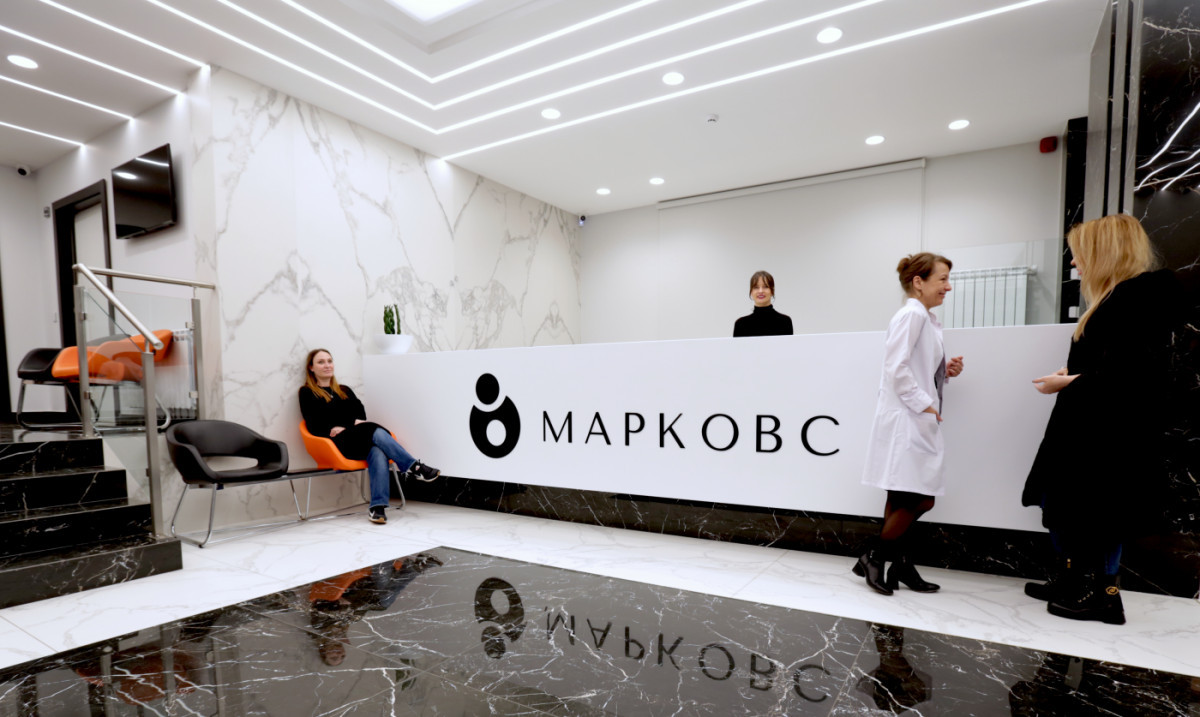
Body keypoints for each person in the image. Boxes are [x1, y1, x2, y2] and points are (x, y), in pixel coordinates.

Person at [1022, 214, 1185, 625]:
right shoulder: (1116, 300)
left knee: (1103, 514)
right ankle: (1073, 581)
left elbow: (1133, 376)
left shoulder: (1132, 302)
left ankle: (1105, 598)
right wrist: (1072, 374)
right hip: (1091, 427)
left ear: (1102, 253)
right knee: (1068, 507)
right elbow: (1112, 365)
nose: (1073, 263)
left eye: (1079, 254)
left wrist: (1068, 382)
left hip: (1108, 434)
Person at [856, 253, 964, 595]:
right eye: (942, 279)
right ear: (918, 282)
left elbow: (913, 366)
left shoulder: (925, 318)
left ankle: (900, 565)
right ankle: (874, 555)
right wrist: (925, 404)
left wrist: (944, 371)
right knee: (920, 499)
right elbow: (896, 368)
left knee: (901, 495)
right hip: (907, 418)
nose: (948, 287)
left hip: (911, 416)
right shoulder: (912, 315)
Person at [299, 348, 440, 525]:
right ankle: (414, 467)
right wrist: (346, 423)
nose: (327, 365)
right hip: (335, 444)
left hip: (357, 438)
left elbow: (360, 414)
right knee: (371, 428)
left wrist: (344, 425)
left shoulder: (344, 390)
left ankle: (377, 508)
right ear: (311, 368)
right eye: (321, 362)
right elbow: (314, 422)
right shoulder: (307, 393)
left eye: (329, 361)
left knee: (377, 450)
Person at [733, 270, 794, 336]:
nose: (761, 291)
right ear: (751, 292)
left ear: (772, 291)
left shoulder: (785, 322)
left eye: (765, 287)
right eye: (756, 287)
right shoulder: (741, 324)